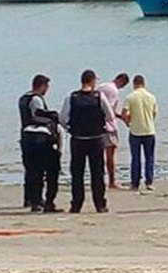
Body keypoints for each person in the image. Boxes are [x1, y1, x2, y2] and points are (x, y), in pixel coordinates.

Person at [61, 69, 114, 213]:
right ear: (92, 81)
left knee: (77, 173)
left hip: (78, 139)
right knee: (97, 173)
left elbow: (63, 118)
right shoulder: (99, 97)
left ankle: (76, 204)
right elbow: (109, 115)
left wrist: (70, 128)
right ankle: (100, 204)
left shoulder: (71, 97)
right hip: (96, 139)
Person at [18, 74, 62, 212]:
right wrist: (53, 118)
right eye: (47, 86)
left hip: (26, 136)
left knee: (31, 170)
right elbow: (37, 114)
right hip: (40, 138)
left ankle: (31, 199)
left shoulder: (23, 98)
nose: (47, 90)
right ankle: (43, 201)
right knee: (46, 171)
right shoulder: (36, 99)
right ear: (42, 86)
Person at [122, 75, 158, 191]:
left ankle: (135, 183)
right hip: (149, 130)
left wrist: (128, 122)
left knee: (135, 158)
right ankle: (149, 181)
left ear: (134, 84)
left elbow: (124, 113)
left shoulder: (130, 97)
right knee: (149, 157)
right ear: (144, 83)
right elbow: (154, 113)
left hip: (135, 131)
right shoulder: (151, 97)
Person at [97, 72, 129, 190]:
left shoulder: (101, 87)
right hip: (108, 126)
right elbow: (109, 110)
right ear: (121, 81)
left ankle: (100, 179)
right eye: (123, 86)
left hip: (97, 126)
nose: (122, 88)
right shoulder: (113, 90)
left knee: (98, 154)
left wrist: (120, 117)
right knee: (110, 153)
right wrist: (122, 118)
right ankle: (111, 181)